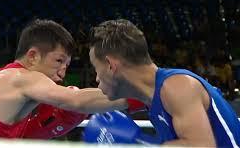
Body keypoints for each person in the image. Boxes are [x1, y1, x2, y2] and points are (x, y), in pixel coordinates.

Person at [0, 19, 144, 138]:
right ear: (32, 56)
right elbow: (77, 101)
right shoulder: (23, 78)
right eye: (58, 61)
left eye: (66, 65)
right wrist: (141, 93)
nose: (62, 73)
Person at [86, 19, 240, 147]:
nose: (97, 78)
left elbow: (201, 146)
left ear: (110, 65)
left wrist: (139, 143)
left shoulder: (178, 86)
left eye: (96, 68)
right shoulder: (153, 98)